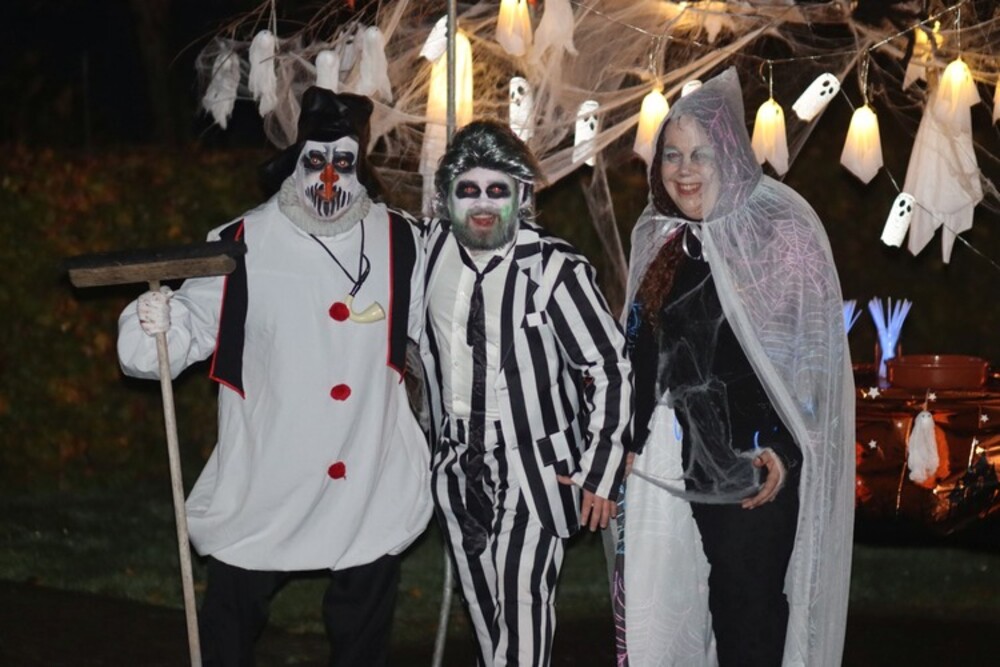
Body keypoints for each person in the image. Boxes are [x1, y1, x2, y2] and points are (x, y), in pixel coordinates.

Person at [117, 87, 431, 666]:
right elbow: (186, 327)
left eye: (343, 161)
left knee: (363, 617)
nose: (329, 178)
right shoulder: (241, 242)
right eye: (316, 160)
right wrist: (156, 324)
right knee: (233, 612)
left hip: (369, 468)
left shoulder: (402, 239)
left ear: (359, 164)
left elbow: (437, 327)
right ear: (296, 160)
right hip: (269, 470)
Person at [612, 68, 855, 666]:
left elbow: (811, 361)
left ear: (732, 159)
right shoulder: (666, 246)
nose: (684, 170)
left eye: (700, 154)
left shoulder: (776, 242)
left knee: (748, 616)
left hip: (752, 471)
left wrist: (783, 448)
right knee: (687, 614)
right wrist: (627, 443)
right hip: (676, 469)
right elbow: (641, 355)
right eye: (672, 155)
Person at [419, 119, 632, 666]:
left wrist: (600, 470)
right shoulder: (428, 251)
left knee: (521, 607)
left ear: (523, 196)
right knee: (487, 619)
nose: (483, 205)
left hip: (535, 471)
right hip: (456, 469)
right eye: (468, 190)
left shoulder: (555, 270)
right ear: (445, 198)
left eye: (498, 190)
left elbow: (609, 366)